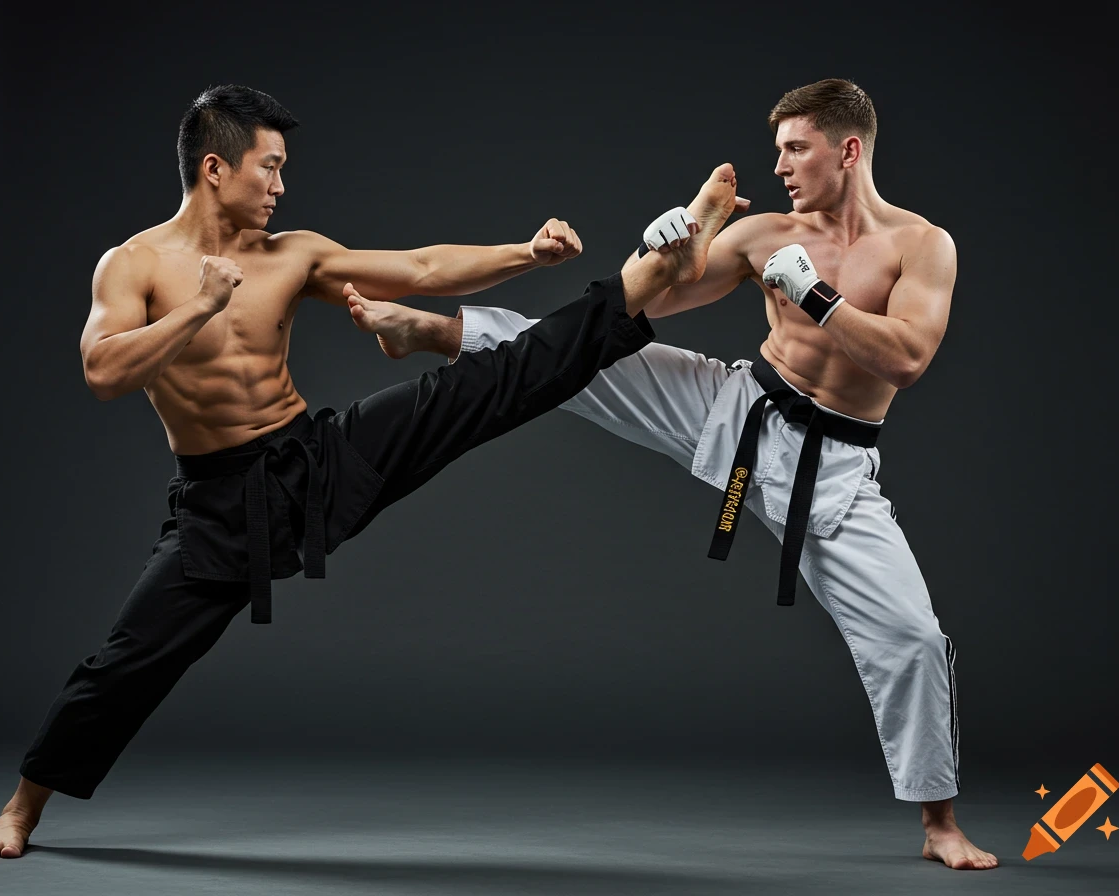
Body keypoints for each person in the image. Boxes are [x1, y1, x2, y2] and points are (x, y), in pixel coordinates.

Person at [0, 83, 746, 859]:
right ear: (214, 168)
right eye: (269, 167)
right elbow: (104, 372)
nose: (280, 186)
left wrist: (525, 253)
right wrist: (199, 307)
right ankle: (21, 811)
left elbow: (421, 266)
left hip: (312, 459)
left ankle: (651, 275)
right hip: (220, 503)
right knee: (129, 660)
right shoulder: (133, 264)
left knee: (489, 385)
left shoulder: (292, 253)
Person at [354, 79, 999, 871]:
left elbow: (907, 359)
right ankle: (428, 330)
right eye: (778, 150)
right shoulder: (764, 234)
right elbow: (647, 303)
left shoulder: (920, 245)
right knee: (585, 353)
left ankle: (939, 824)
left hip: (830, 466)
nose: (781, 166)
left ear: (848, 150)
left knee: (912, 638)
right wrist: (669, 243)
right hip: (737, 406)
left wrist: (816, 295)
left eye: (796, 149)